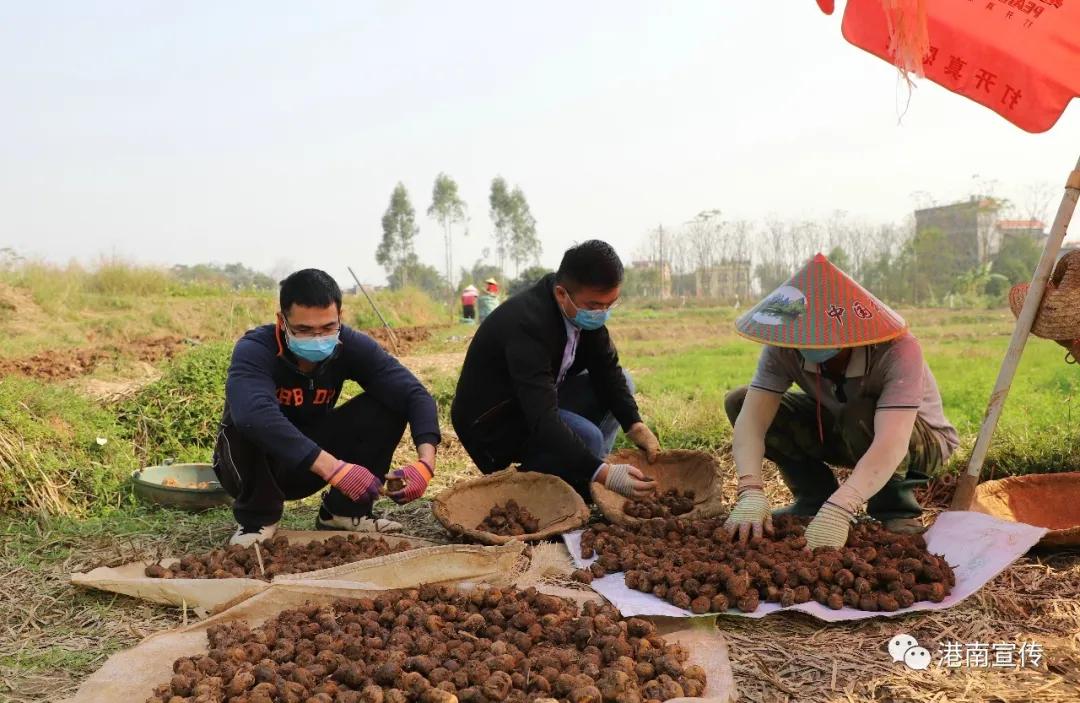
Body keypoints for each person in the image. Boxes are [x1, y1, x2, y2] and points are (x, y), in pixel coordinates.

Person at [724, 253, 958, 550]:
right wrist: (750, 489)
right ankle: (814, 498)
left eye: (820, 335)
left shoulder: (898, 349)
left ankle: (895, 510)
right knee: (739, 401)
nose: (808, 343)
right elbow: (752, 422)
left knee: (860, 411)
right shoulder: (783, 347)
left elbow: (892, 441)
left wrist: (842, 507)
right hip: (844, 429)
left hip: (918, 443)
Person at [213, 269, 440, 546]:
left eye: (327, 328)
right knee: (246, 418)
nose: (317, 338)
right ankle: (257, 519)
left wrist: (426, 463)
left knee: (388, 402)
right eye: (304, 330)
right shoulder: (255, 349)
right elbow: (253, 415)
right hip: (253, 469)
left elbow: (414, 394)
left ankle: (343, 513)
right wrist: (335, 470)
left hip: (310, 464)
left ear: (340, 318)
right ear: (281, 321)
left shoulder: (350, 344)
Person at [452, 240, 661, 500]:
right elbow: (542, 418)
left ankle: (584, 477)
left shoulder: (581, 312)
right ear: (562, 294)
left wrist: (634, 423)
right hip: (495, 423)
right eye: (596, 306)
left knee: (624, 384)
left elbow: (607, 370)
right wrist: (602, 472)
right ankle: (559, 483)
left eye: (610, 305)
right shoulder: (528, 325)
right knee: (589, 437)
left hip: (536, 397)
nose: (602, 313)